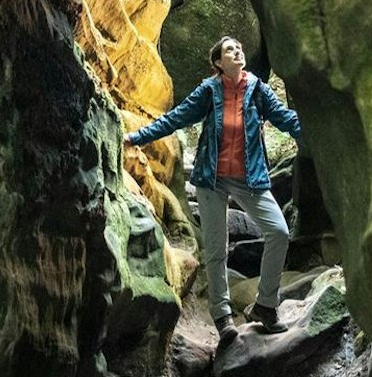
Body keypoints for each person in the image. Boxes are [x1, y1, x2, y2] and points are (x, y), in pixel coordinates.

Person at [125, 36, 301, 347]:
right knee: (218, 249)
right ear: (218, 62)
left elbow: (285, 119)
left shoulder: (257, 89)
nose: (238, 51)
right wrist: (137, 137)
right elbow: (176, 118)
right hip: (211, 180)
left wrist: (315, 132)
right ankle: (222, 317)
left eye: (239, 48)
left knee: (279, 231)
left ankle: (265, 305)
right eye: (230, 49)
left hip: (250, 178)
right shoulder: (209, 90)